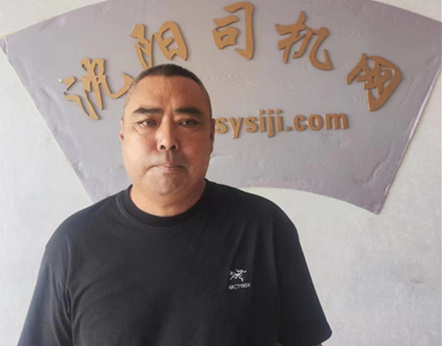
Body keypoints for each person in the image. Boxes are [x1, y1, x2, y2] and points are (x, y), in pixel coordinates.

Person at [18, 64, 332, 346]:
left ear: (211, 135)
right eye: (147, 122)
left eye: (187, 122)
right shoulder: (73, 243)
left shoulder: (264, 226)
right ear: (123, 135)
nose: (167, 140)